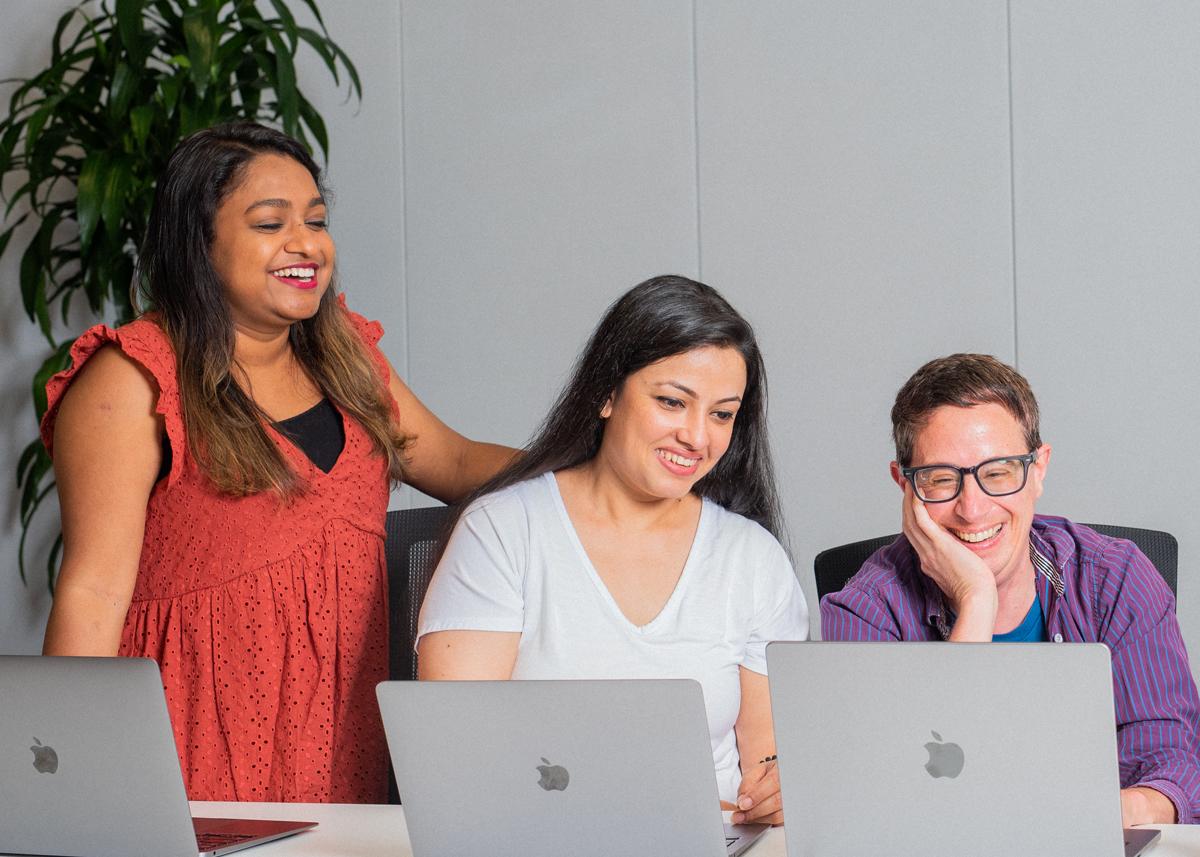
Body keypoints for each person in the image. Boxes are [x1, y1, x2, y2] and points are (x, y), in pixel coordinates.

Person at [39, 122, 515, 803]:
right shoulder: (134, 378)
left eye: (316, 220)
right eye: (271, 223)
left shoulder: (346, 357)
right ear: (198, 242)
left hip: (340, 751)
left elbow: (458, 460)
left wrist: (600, 465)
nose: (306, 243)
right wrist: (73, 794)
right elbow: (92, 594)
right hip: (189, 766)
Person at [416, 275, 809, 826]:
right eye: (673, 402)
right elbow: (453, 758)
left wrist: (779, 786)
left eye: (722, 414)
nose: (697, 438)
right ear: (605, 394)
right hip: (540, 839)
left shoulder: (753, 558)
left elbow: (768, 759)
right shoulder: (504, 531)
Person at [821, 353, 1200, 826]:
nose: (973, 509)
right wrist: (976, 598)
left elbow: (1171, 756)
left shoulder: (1115, 578)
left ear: (1038, 469)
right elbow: (890, 797)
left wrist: (1118, 810)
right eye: (940, 480)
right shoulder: (865, 610)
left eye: (998, 473)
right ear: (904, 486)